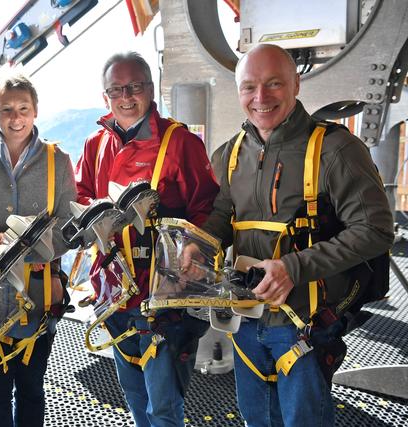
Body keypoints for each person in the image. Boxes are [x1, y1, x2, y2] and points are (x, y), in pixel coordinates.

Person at [199, 44, 394, 426]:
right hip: (246, 317)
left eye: (274, 84)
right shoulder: (229, 154)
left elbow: (375, 230)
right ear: (238, 91)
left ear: (296, 84)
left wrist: (294, 267)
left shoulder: (336, 150)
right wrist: (199, 245)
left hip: (303, 324)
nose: (261, 97)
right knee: (257, 419)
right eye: (249, 87)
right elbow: (224, 214)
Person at [74, 52, 219, 426]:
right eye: (116, 89)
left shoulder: (180, 142)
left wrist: (193, 250)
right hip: (114, 291)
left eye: (134, 86)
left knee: (164, 405)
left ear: (150, 90)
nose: (126, 96)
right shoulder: (95, 145)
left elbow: (208, 207)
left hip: (165, 297)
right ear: (105, 95)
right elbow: (79, 199)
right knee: (134, 393)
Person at [0, 75, 77, 427]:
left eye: (23, 108)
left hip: (39, 297)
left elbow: (69, 226)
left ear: (35, 112)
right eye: (7, 109)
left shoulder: (58, 160)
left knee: (33, 390)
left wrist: (29, 251)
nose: (15, 117)